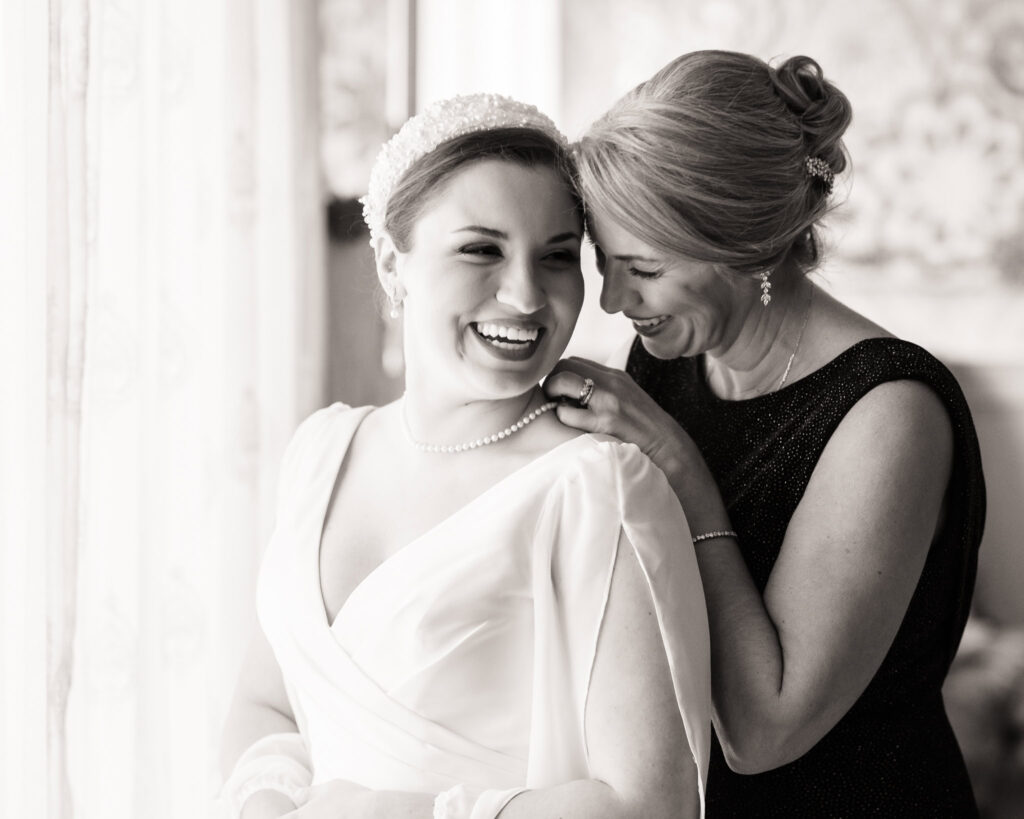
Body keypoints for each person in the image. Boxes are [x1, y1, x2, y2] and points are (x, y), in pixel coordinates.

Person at [218, 93, 711, 819]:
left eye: (555, 257)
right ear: (394, 263)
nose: (525, 294)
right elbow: (267, 702)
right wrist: (267, 799)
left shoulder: (596, 486)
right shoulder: (321, 450)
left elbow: (649, 802)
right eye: (482, 248)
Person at [544, 51, 986, 817]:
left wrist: (679, 467)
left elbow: (762, 729)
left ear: (745, 249)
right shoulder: (667, 360)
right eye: (604, 265)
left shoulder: (889, 412)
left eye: (642, 268)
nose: (615, 301)